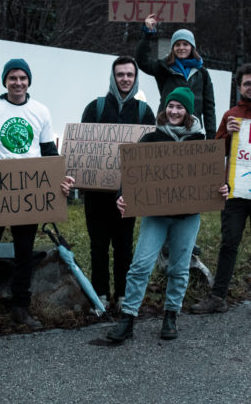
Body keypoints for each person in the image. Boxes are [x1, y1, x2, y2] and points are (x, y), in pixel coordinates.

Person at [105, 87, 229, 343]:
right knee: (140, 265)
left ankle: (171, 315)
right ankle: (128, 318)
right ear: (165, 109)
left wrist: (224, 188)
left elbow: (214, 180)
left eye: (180, 107)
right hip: (155, 216)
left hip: (187, 216)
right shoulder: (151, 140)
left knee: (180, 268)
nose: (174, 111)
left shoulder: (201, 144)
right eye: (170, 106)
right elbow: (132, 175)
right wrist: (122, 194)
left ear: (188, 112)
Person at [0, 58, 74, 331]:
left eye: (23, 78)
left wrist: (61, 179)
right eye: (13, 78)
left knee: (25, 253)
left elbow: (49, 153)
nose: (18, 82)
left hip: (28, 194)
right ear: (5, 81)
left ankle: (21, 308)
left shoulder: (40, 111)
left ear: (29, 81)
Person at [190, 63, 251, 318]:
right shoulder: (231, 114)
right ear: (240, 87)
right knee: (229, 242)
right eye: (247, 83)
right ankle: (218, 297)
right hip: (234, 189)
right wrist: (227, 135)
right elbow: (216, 151)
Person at [80, 56, 156, 311]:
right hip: (96, 195)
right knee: (98, 246)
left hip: (128, 194)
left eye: (129, 75)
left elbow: (151, 154)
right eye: (120, 75)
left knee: (124, 246)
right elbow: (83, 149)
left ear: (135, 78)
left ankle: (123, 295)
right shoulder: (95, 108)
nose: (125, 79)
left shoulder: (144, 112)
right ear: (113, 78)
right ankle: (100, 294)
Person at [137, 13, 216, 139]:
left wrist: (212, 136)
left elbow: (209, 107)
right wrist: (148, 34)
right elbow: (142, 61)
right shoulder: (164, 68)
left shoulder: (202, 73)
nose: (181, 48)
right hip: (166, 130)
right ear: (173, 48)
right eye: (177, 44)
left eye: (185, 44)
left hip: (191, 133)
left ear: (192, 47)